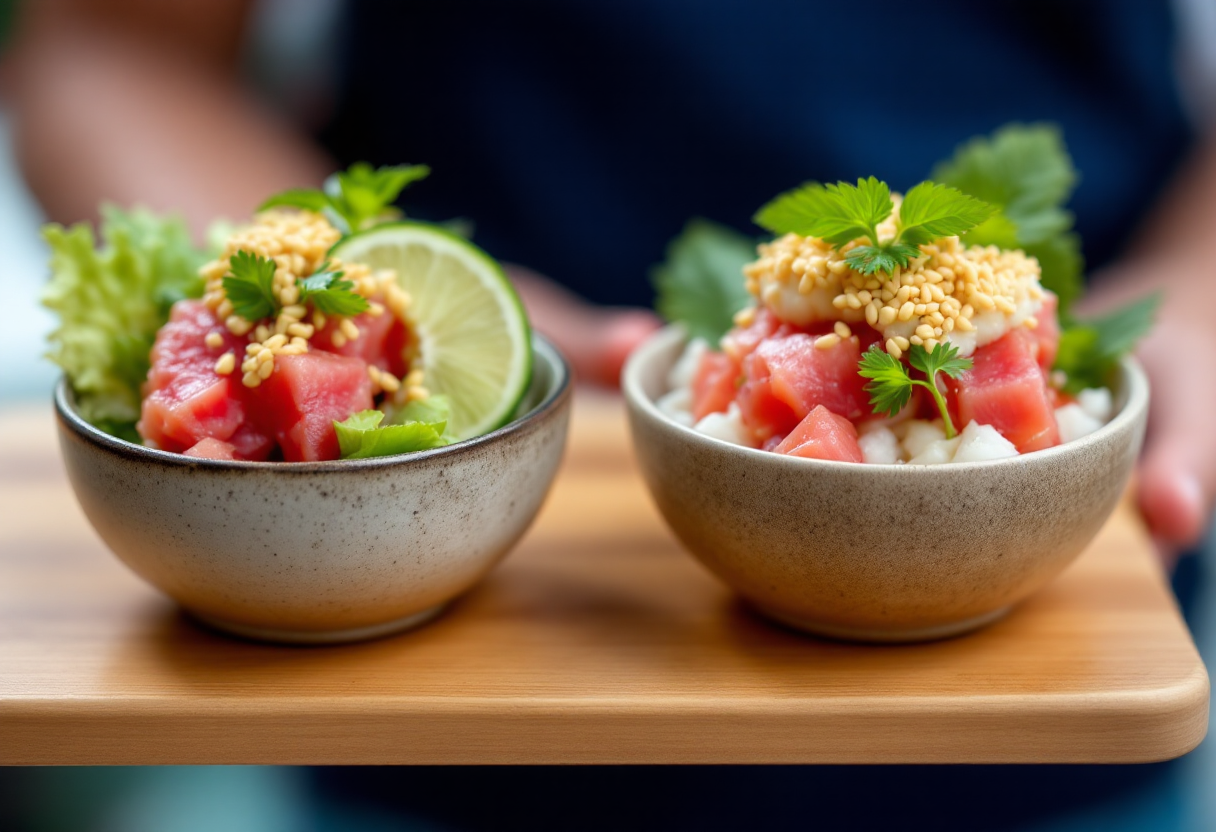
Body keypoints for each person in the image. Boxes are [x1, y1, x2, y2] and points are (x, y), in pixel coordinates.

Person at [3, 1, 1214, 829]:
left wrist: (1200, 304)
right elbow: (112, 38)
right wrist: (377, 324)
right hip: (432, 676)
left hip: (1063, 710)